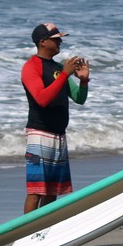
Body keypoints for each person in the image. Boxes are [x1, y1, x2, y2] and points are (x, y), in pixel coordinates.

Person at [21, 23, 90, 213]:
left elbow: (79, 98)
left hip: (59, 135)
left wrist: (83, 81)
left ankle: (43, 233)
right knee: (36, 191)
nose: (60, 41)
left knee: (52, 191)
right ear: (42, 42)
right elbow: (42, 99)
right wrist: (65, 74)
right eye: (56, 38)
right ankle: (27, 235)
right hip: (39, 134)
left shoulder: (59, 67)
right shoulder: (31, 67)